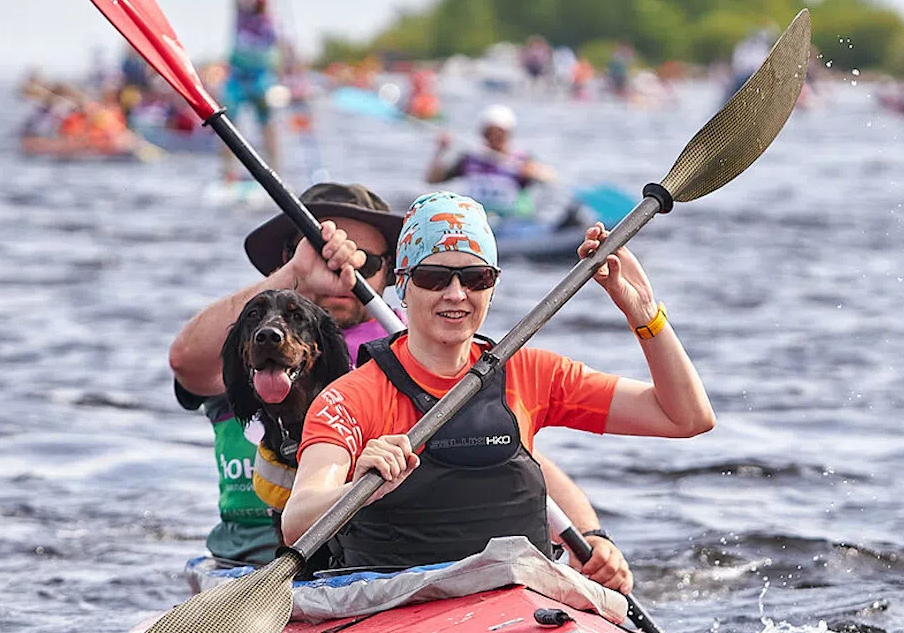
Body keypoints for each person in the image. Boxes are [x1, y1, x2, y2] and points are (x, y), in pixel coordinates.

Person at [282, 192, 716, 594]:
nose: (456, 294)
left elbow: (686, 418)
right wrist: (359, 486)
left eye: (476, 277)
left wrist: (644, 313)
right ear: (402, 284)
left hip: (516, 608)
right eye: (434, 278)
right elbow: (297, 521)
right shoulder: (353, 397)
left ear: (492, 285)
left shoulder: (531, 372)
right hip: (394, 607)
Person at [167, 183, 614, 571]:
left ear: (390, 273)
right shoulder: (251, 340)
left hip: (367, 558)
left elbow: (507, 448)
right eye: (314, 254)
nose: (340, 274)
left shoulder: (414, 352)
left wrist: (591, 535)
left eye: (362, 262)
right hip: (252, 559)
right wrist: (295, 276)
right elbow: (187, 362)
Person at [425, 105, 557, 219]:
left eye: (499, 133)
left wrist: (533, 172)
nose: (494, 138)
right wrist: (440, 151)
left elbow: (550, 177)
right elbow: (432, 179)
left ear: (508, 134)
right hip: (477, 218)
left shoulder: (521, 160)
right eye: (490, 133)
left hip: (511, 221)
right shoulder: (470, 159)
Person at [221, 0, 289, 180]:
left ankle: (276, 174)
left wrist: (288, 75)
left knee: (268, 126)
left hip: (261, 80)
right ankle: (228, 175)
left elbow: (283, 51)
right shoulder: (242, 15)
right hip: (237, 79)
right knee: (227, 126)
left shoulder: (273, 24)